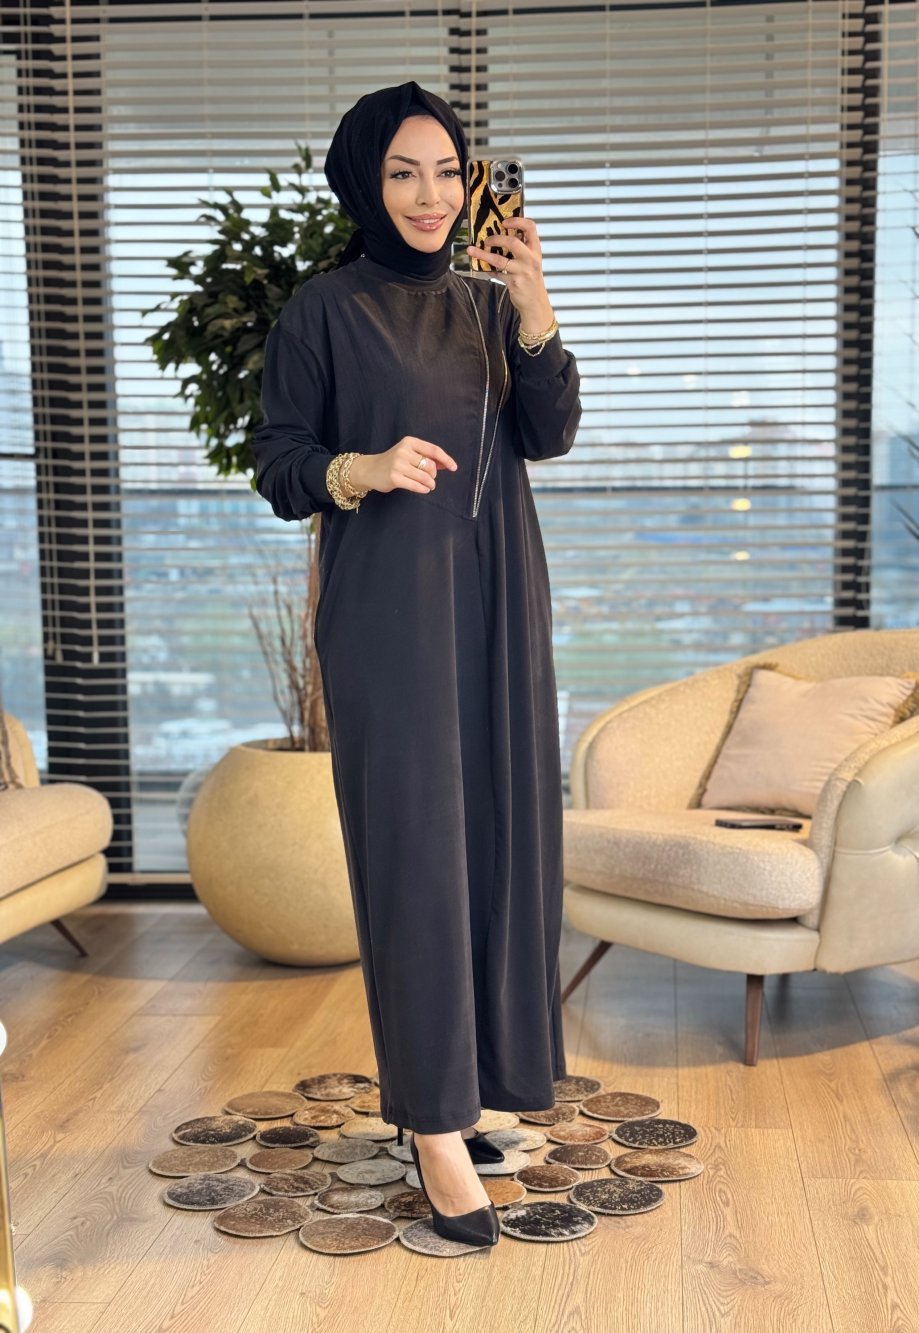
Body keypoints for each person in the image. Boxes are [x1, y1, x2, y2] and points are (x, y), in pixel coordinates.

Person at [251, 81, 582, 1248]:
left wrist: (535, 310)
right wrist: (362, 467)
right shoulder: (322, 311)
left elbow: (547, 432)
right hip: (389, 619)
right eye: (402, 172)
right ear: (364, 181)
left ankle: (467, 1088)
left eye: (446, 170)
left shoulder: (491, 307)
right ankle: (434, 1128)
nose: (429, 194)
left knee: (498, 845)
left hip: (499, 605)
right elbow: (278, 462)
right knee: (415, 858)